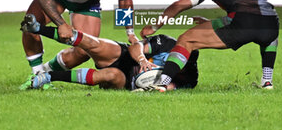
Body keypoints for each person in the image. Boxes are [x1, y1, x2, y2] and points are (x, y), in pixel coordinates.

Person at [139, 0, 279, 92]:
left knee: (186, 40)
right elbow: (254, 12)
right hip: (271, 23)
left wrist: (154, 26)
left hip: (241, 23)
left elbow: (179, 5)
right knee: (269, 31)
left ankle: (162, 84)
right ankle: (267, 81)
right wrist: (210, 23)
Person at [20, 0, 139, 89]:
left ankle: (45, 73)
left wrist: (130, 32)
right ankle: (36, 72)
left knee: (84, 51)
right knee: (29, 26)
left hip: (87, 2)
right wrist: (61, 23)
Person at [20, 14, 199, 91]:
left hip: (127, 78)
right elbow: (134, 46)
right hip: (123, 55)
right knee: (93, 44)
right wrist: (143, 60)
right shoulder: (168, 43)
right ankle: (38, 29)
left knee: (110, 75)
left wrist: (159, 89)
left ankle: (50, 76)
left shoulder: (190, 77)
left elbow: (169, 88)